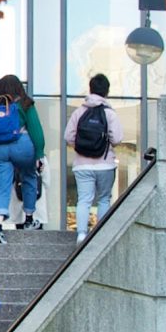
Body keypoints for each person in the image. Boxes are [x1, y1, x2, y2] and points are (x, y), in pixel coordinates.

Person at [0, 74, 47, 241]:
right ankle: (29, 218)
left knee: (0, 188)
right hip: (22, 145)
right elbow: (36, 130)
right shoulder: (25, 104)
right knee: (29, 177)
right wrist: (39, 153)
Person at [64, 74, 123, 242]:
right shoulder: (109, 113)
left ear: (90, 89)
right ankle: (100, 235)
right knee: (104, 199)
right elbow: (117, 138)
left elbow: (68, 136)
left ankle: (81, 234)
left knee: (84, 199)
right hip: (105, 165)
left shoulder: (79, 112)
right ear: (107, 92)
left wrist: (81, 148)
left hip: (82, 165)